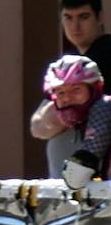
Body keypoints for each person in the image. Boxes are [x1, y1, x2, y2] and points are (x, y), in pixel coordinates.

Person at [36, 0, 111, 177]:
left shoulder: (106, 52)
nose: (75, 27)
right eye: (68, 18)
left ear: (100, 17)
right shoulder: (71, 64)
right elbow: (37, 126)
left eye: (83, 17)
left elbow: (44, 122)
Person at [36, 56, 111, 191]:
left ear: (95, 89)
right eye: (61, 92)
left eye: (76, 89)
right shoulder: (57, 139)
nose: (67, 98)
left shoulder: (105, 109)